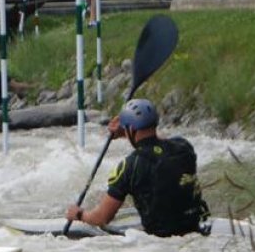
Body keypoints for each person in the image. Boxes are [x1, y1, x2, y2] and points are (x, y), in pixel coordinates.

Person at [65, 98, 211, 237]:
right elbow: (158, 144)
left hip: (159, 239)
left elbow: (102, 218)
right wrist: (127, 131)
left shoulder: (130, 166)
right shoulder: (183, 147)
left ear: (130, 129)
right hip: (196, 228)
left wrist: (79, 214)